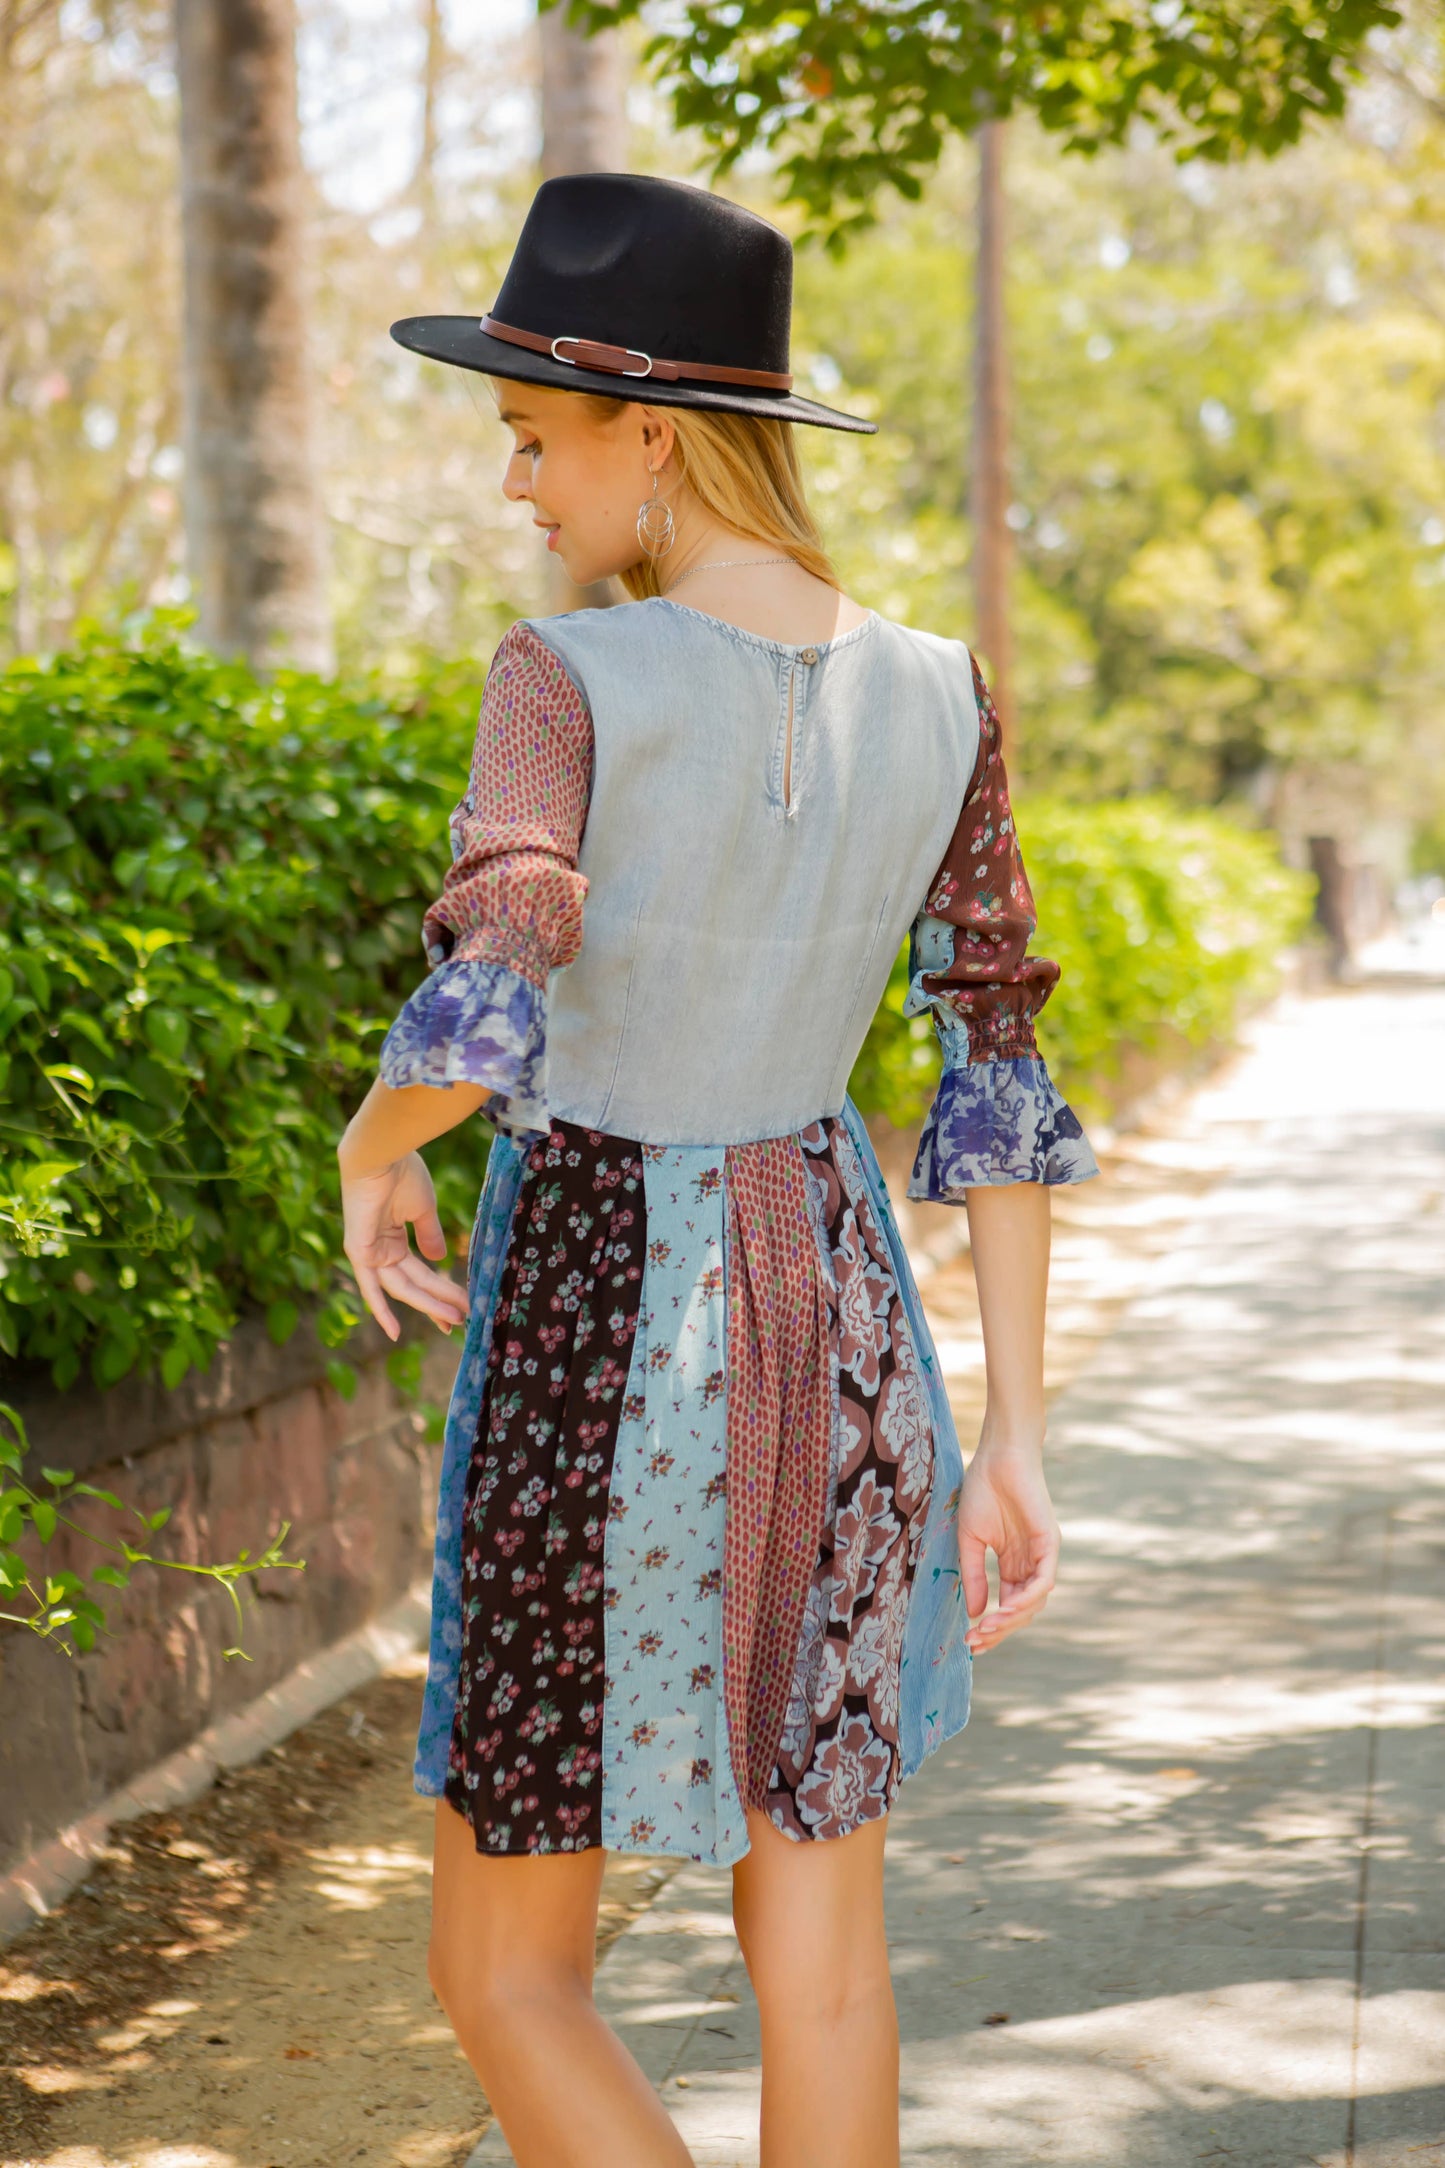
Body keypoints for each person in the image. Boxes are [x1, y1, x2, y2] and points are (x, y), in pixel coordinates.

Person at [336, 172, 1099, 2168]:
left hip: (603, 1334)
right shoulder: (942, 693)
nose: (517, 486)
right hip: (841, 1321)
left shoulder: (564, 676)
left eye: (531, 437)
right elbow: (996, 1063)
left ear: (648, 434)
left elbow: (487, 1015)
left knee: (506, 1970)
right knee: (824, 1950)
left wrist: (369, 1141)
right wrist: (1018, 1427)